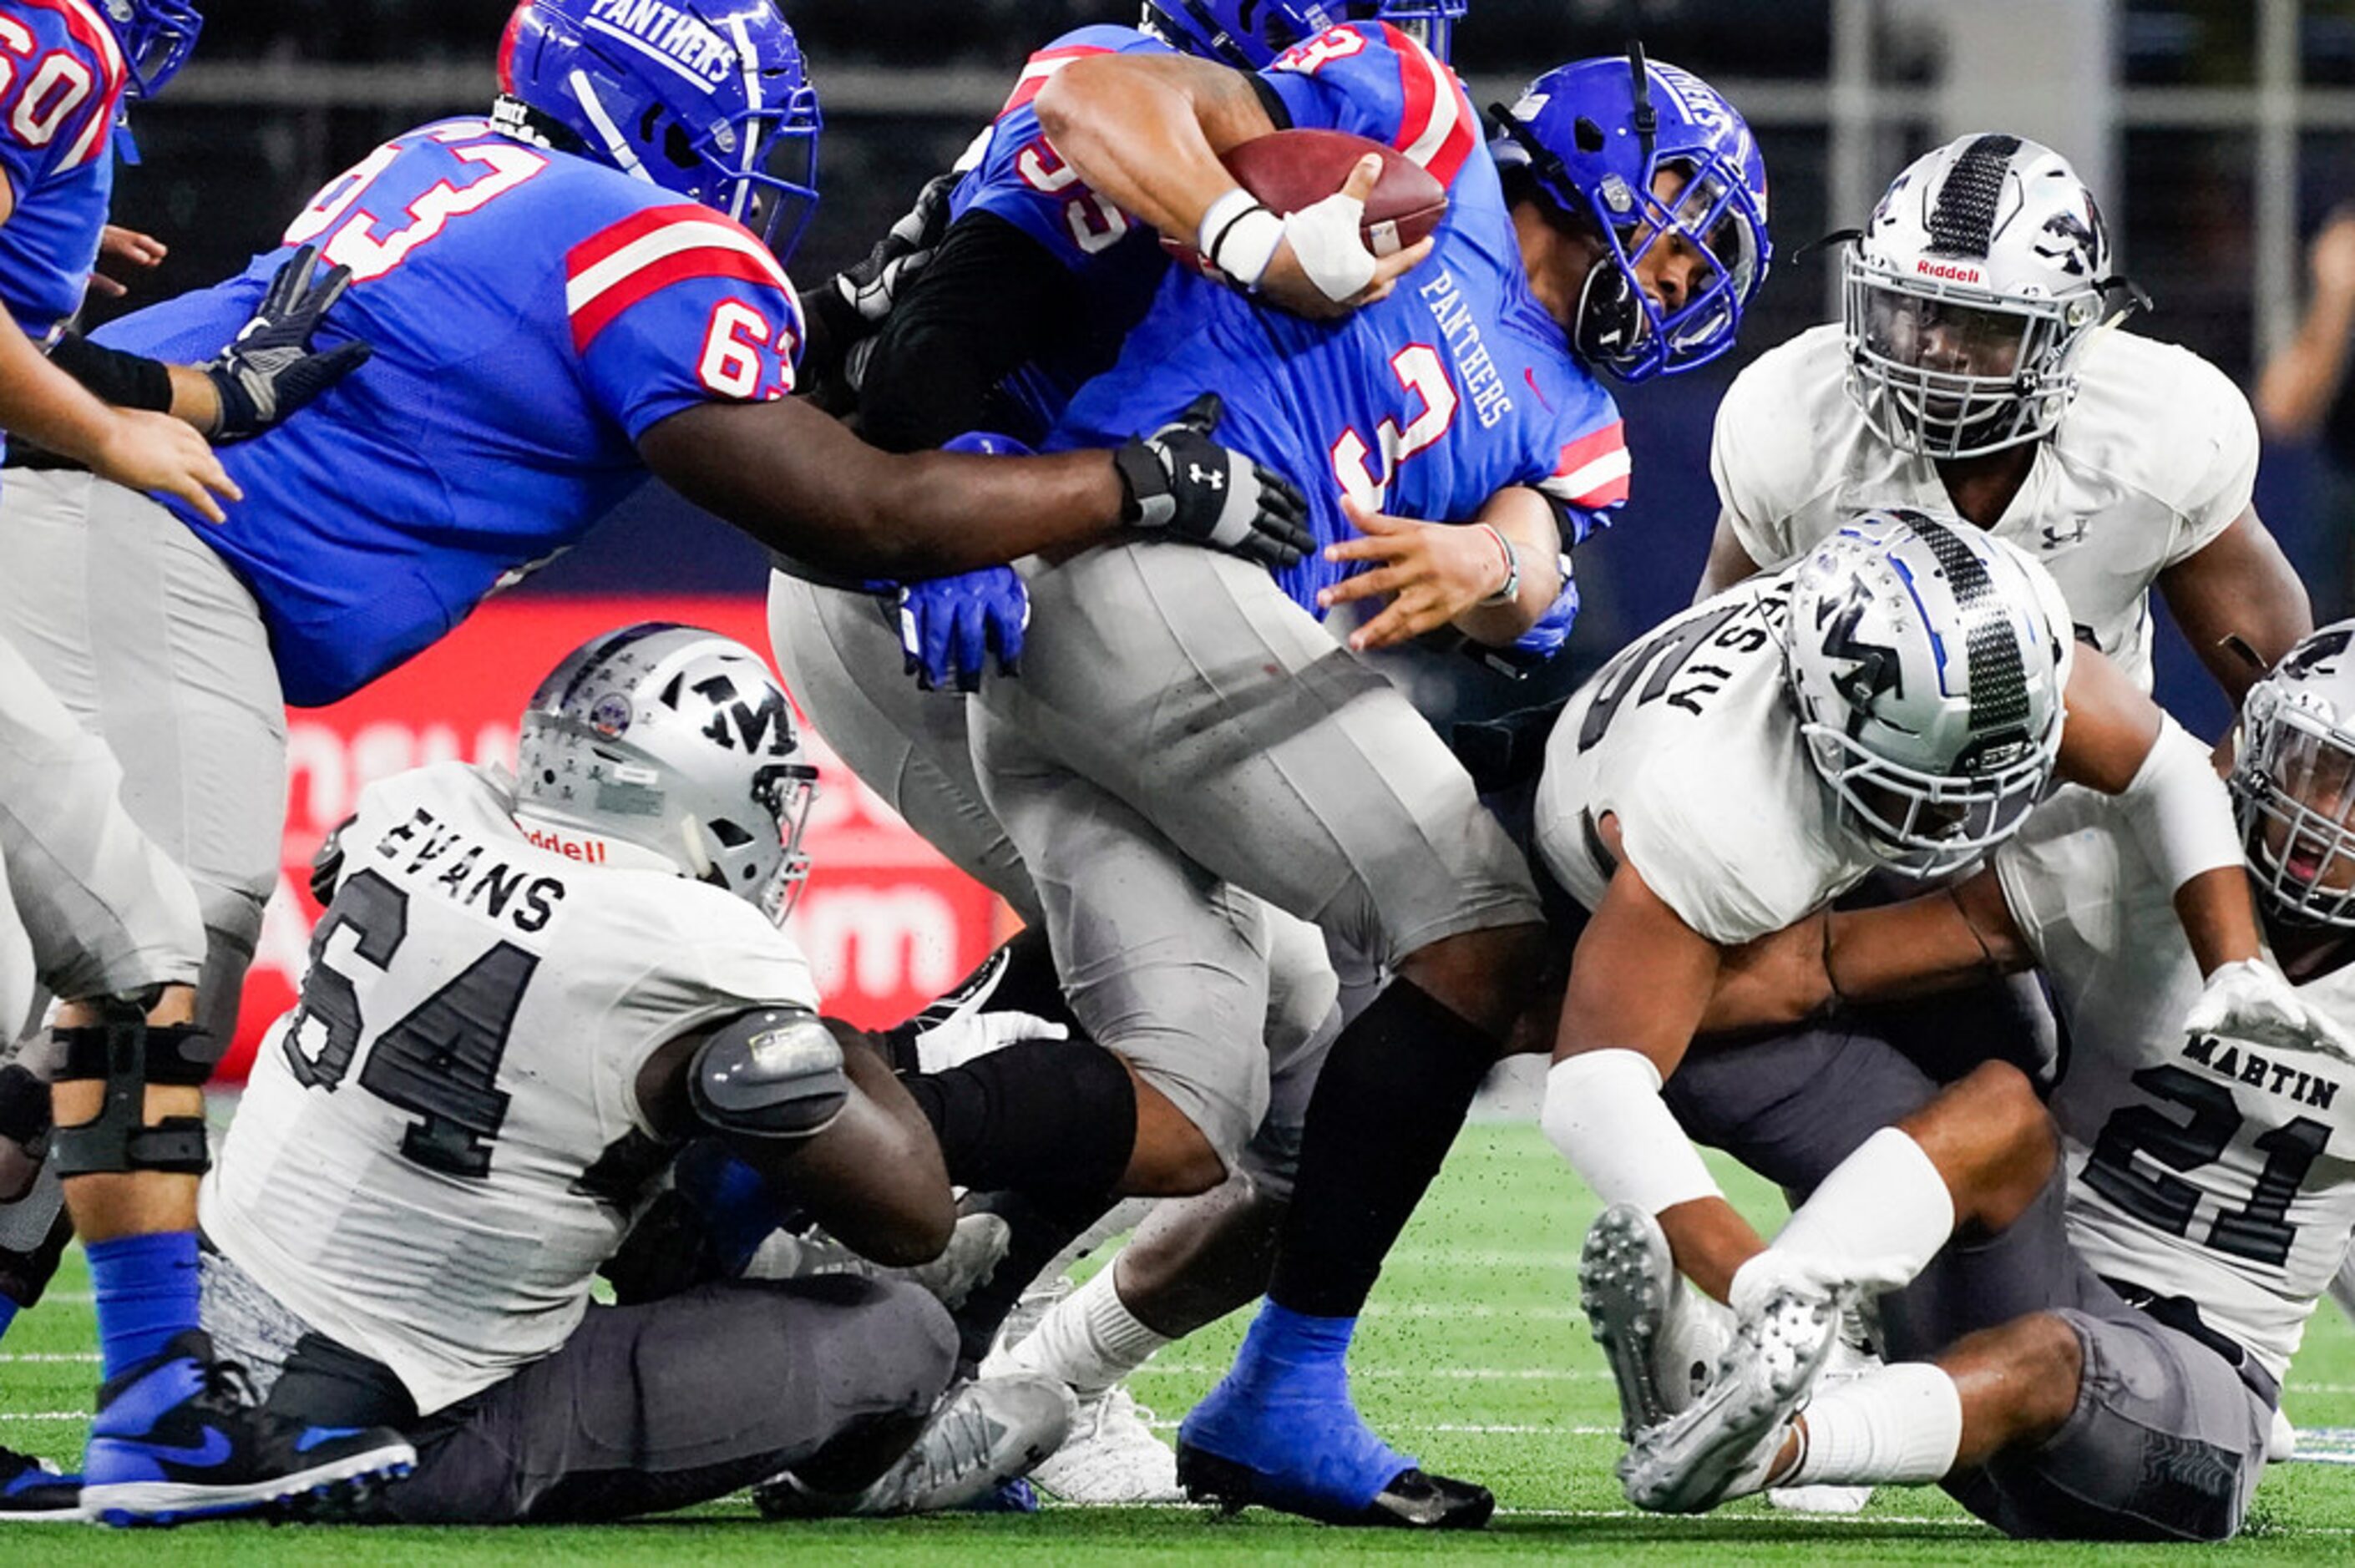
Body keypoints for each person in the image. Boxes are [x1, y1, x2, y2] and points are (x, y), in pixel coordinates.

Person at [959, 36, 1766, 1528]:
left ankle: (908, 1295)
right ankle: (1274, 1381)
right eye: (1676, 218)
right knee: (1478, 926)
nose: (1679, 270)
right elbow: (1120, 95)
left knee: (1237, 1075)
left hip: (1192, 630)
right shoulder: (1426, 143)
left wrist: (1486, 561)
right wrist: (1246, 230)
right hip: (1120, 539)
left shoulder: (1574, 414)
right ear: (1590, 161)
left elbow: (1538, 568)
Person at [1534, 509, 2323, 1514]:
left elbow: (2161, 770)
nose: (1973, 808)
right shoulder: (1720, 807)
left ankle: (1781, 1412)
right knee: (1981, 1099)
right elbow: (1637, 1063)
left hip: (2184, 1363)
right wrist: (1751, 1276)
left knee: (2022, 1149)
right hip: (1682, 920)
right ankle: (1787, 1349)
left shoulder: (1999, 652)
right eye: (2311, 772)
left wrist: (2234, 959)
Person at [198, 622, 1074, 1524]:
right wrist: (845, 1043)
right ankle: (858, 1479)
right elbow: (915, 1219)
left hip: (203, 1350)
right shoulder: (699, 947)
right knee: (901, 1332)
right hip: (394, 1436)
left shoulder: (416, 804)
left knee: (621, 1142)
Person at [1699, 134, 2308, 707]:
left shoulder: (2163, 426)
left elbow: (2286, 713)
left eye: (1984, 322)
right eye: (1913, 309)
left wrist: (2194, 807)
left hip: (2082, 800)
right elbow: (1703, 695)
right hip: (1832, 796)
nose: (1937, 346)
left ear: (2067, 336)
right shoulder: (1793, 419)